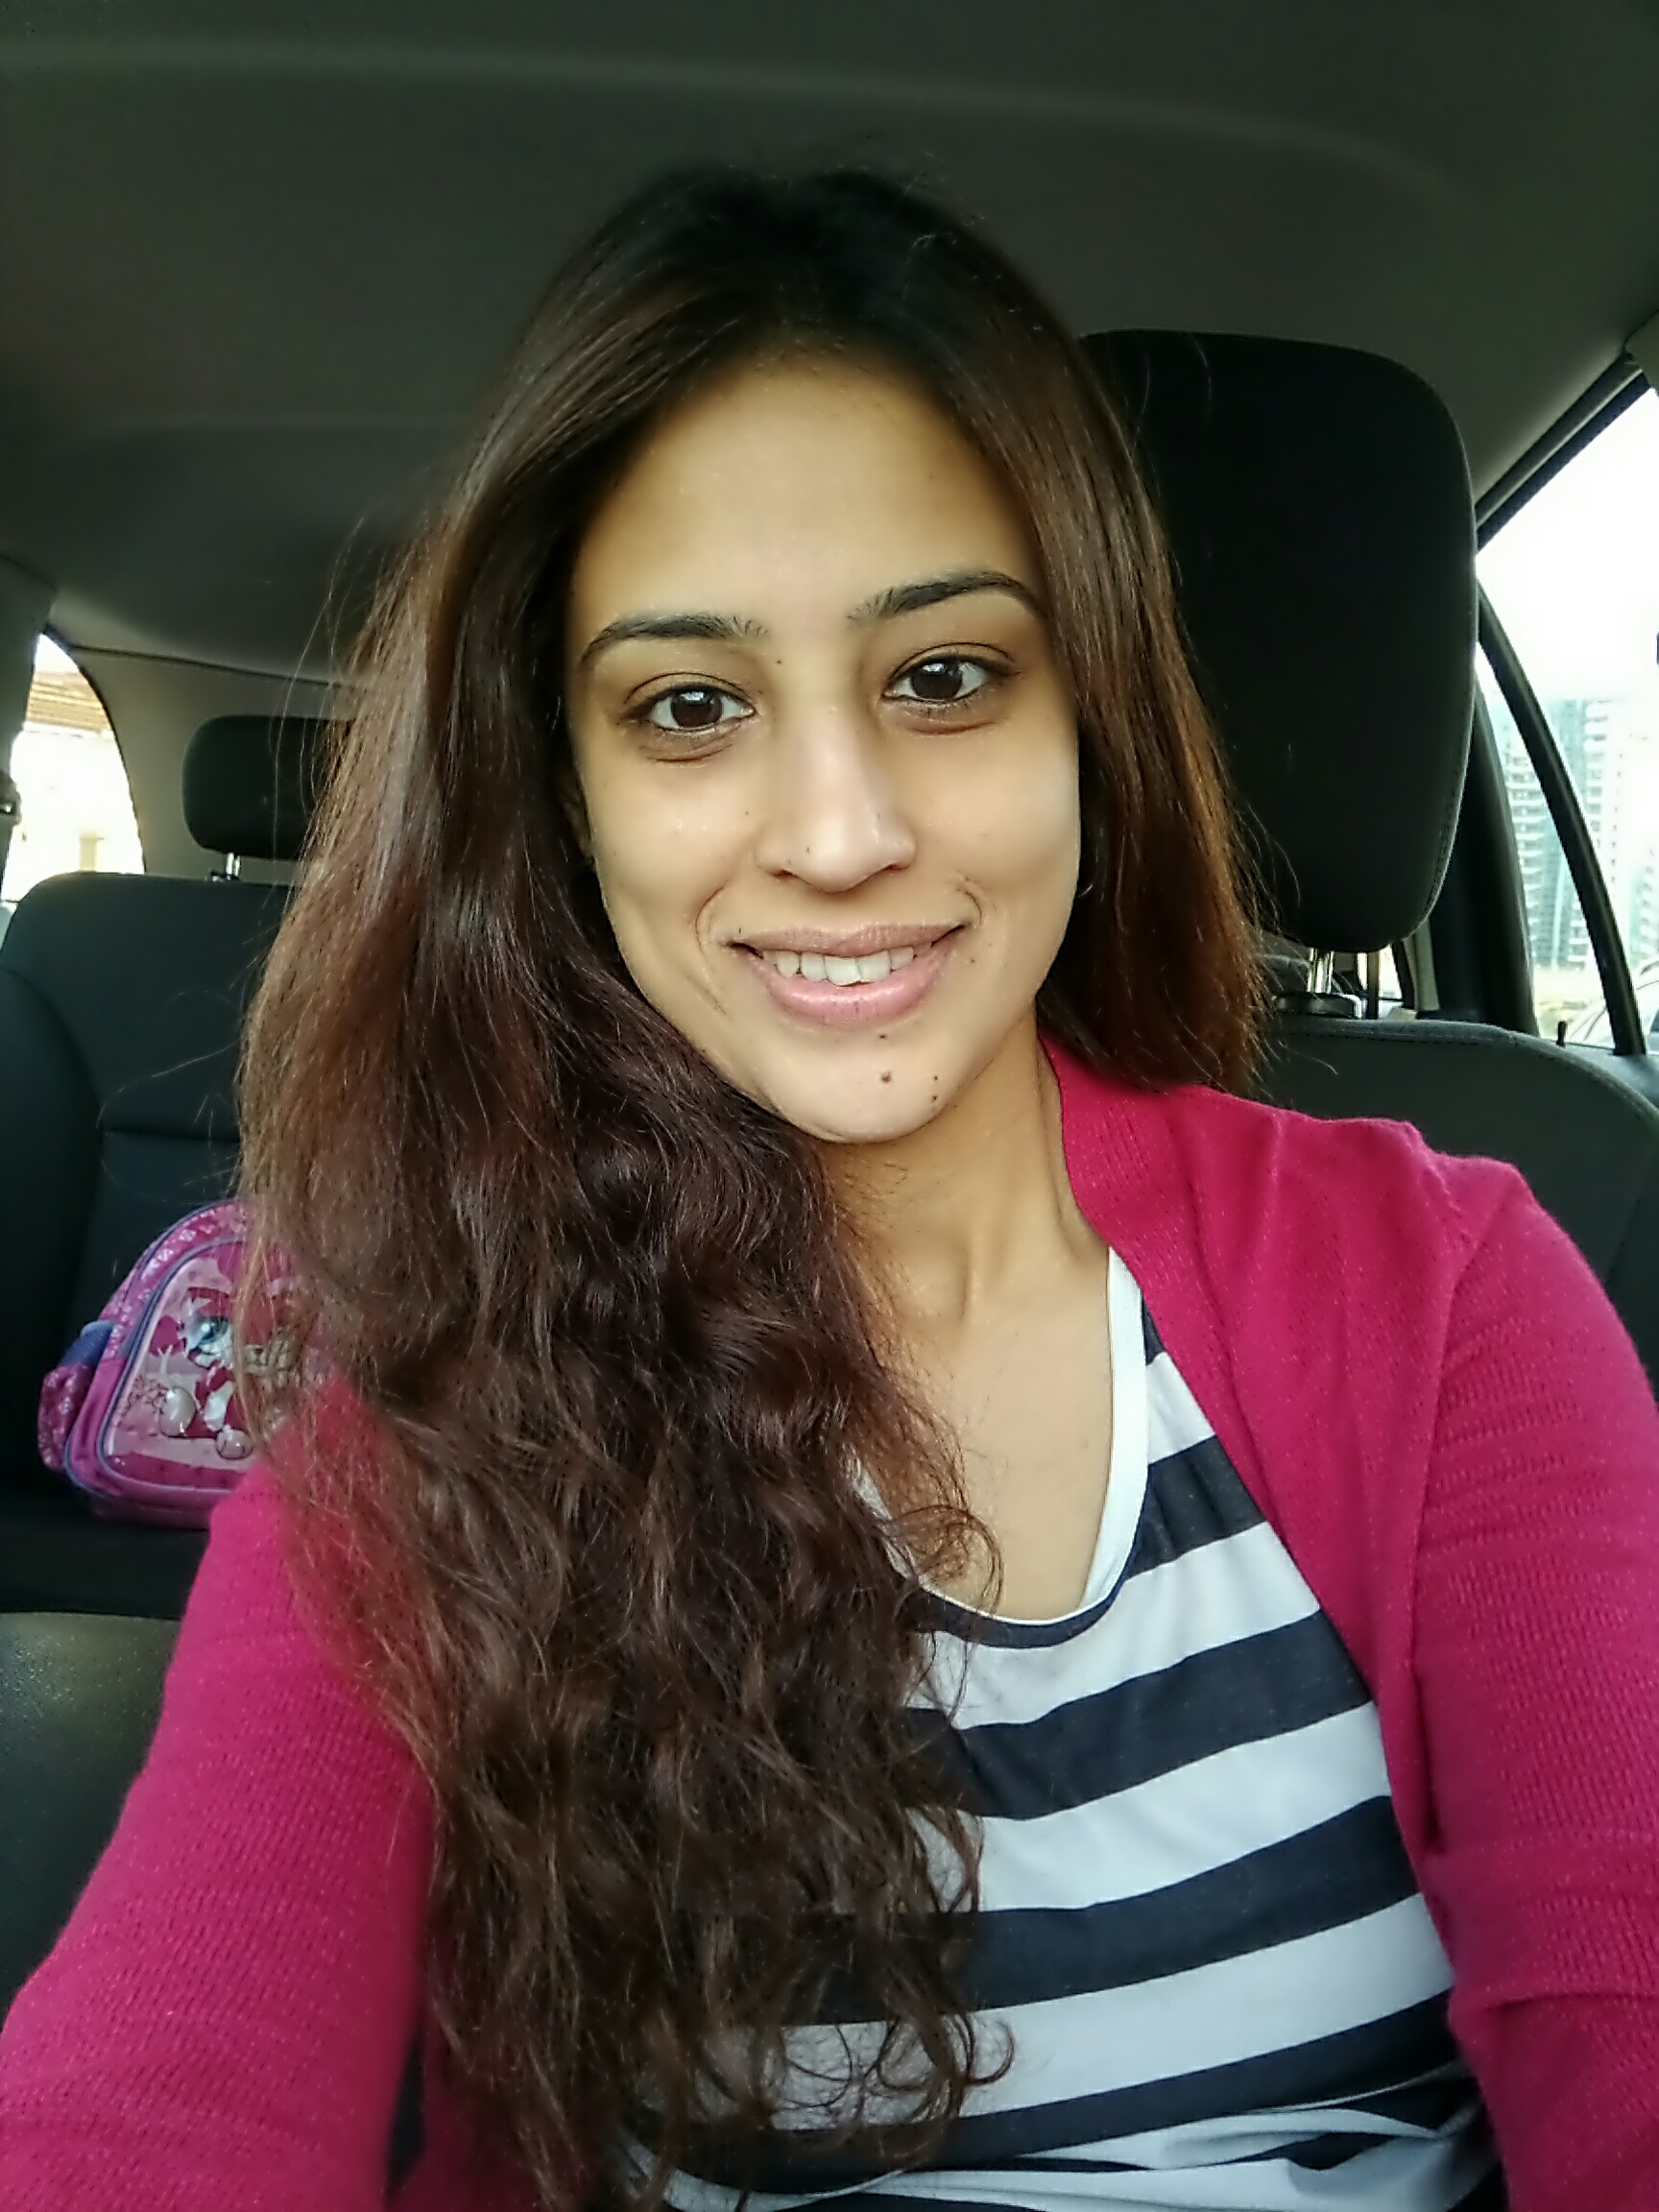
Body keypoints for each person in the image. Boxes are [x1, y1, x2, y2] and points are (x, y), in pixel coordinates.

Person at [0, 167, 1655, 2212]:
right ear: (567, 793)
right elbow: (158, 2112)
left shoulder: (1446, 1294)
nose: (842, 831)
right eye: (691, 708)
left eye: (944, 676)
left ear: (1090, 718)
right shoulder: (427, 1433)